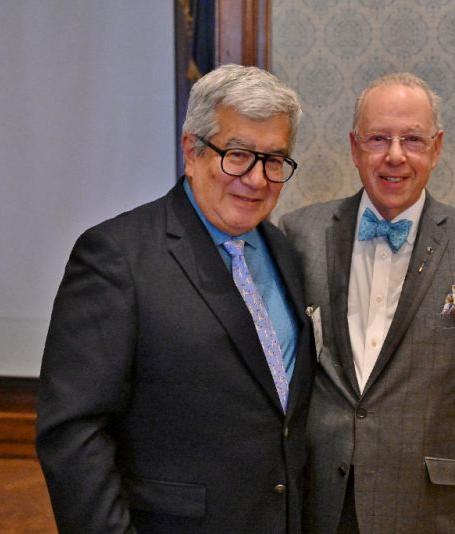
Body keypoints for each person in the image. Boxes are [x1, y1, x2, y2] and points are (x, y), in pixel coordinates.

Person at [36, 63, 314, 533]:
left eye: (273, 160)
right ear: (191, 150)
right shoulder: (116, 257)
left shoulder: (284, 252)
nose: (257, 179)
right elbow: (74, 434)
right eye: (237, 155)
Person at [280, 72, 455, 533]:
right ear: (355, 148)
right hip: (322, 501)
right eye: (378, 138)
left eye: (412, 139)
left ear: (436, 148)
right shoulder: (300, 235)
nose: (395, 155)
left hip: (431, 508)